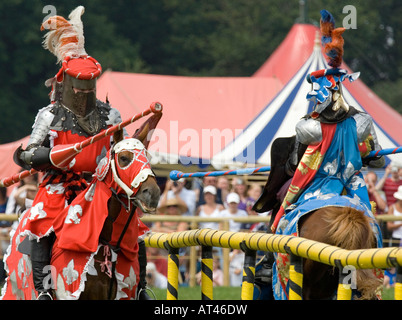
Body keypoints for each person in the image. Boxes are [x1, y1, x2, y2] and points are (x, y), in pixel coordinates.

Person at [4, 6, 154, 300]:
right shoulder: (49, 116)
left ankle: (140, 288)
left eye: (90, 85)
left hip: (99, 186)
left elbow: (117, 153)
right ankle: (45, 289)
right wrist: (53, 156)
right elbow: (26, 154)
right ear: (66, 82)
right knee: (41, 220)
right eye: (80, 85)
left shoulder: (111, 116)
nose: (85, 91)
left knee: (130, 222)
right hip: (59, 186)